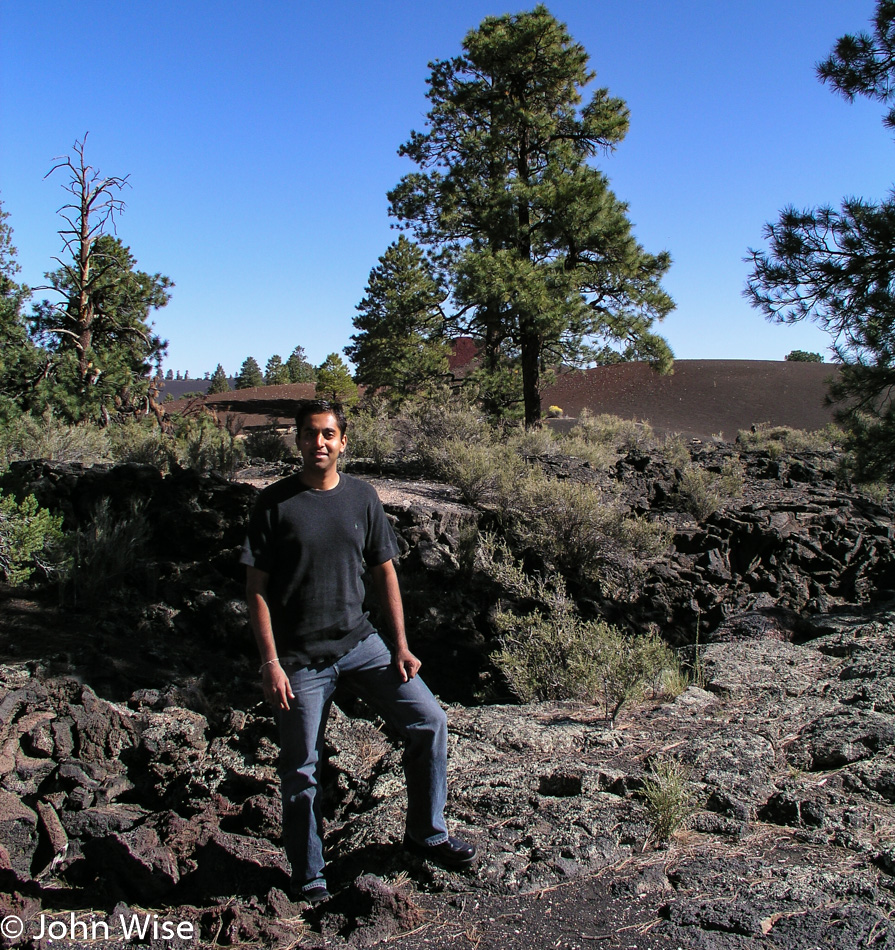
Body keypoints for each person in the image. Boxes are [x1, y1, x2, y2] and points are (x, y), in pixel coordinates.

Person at [240, 399, 475, 905]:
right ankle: (308, 875)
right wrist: (271, 664)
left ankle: (426, 832)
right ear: (298, 440)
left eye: (328, 434)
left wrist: (401, 646)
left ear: (343, 442)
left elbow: (385, 571)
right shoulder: (273, 504)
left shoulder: (363, 498)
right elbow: (255, 587)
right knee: (301, 767)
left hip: (361, 642)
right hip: (300, 659)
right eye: (310, 434)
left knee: (429, 719)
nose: (319, 443)